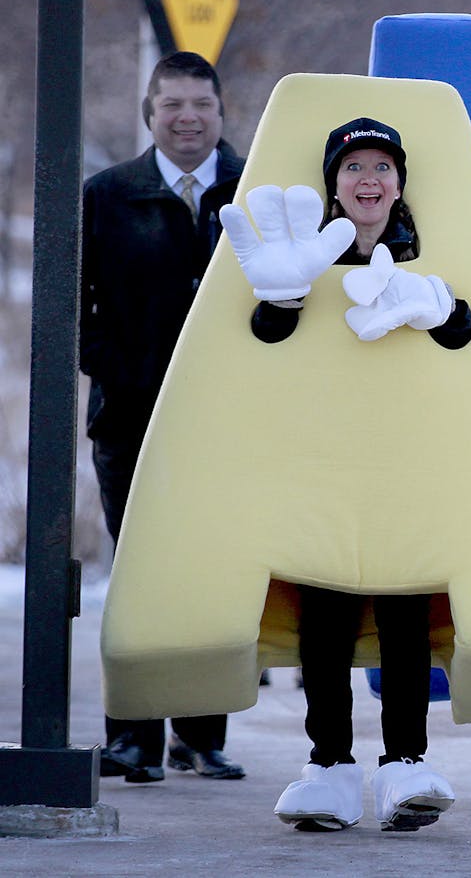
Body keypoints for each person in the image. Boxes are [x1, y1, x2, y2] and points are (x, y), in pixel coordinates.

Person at [221, 117, 471, 832]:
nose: (370, 180)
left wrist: (444, 307)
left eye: (383, 168)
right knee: (324, 626)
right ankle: (329, 766)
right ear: (333, 184)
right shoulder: (294, 260)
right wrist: (284, 298)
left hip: (411, 468)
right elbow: (262, 342)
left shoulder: (436, 253)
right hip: (321, 468)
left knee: (404, 622)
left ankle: (405, 765)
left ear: (401, 184)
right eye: (354, 167)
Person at [80, 51, 247, 784]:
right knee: (142, 575)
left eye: (200, 106)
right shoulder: (107, 195)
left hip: (233, 425)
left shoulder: (260, 190)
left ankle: (201, 736)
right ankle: (133, 736)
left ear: (221, 112)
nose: (187, 118)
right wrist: (119, 372)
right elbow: (75, 306)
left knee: (216, 575)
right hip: (130, 421)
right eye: (171, 105)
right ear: (149, 113)